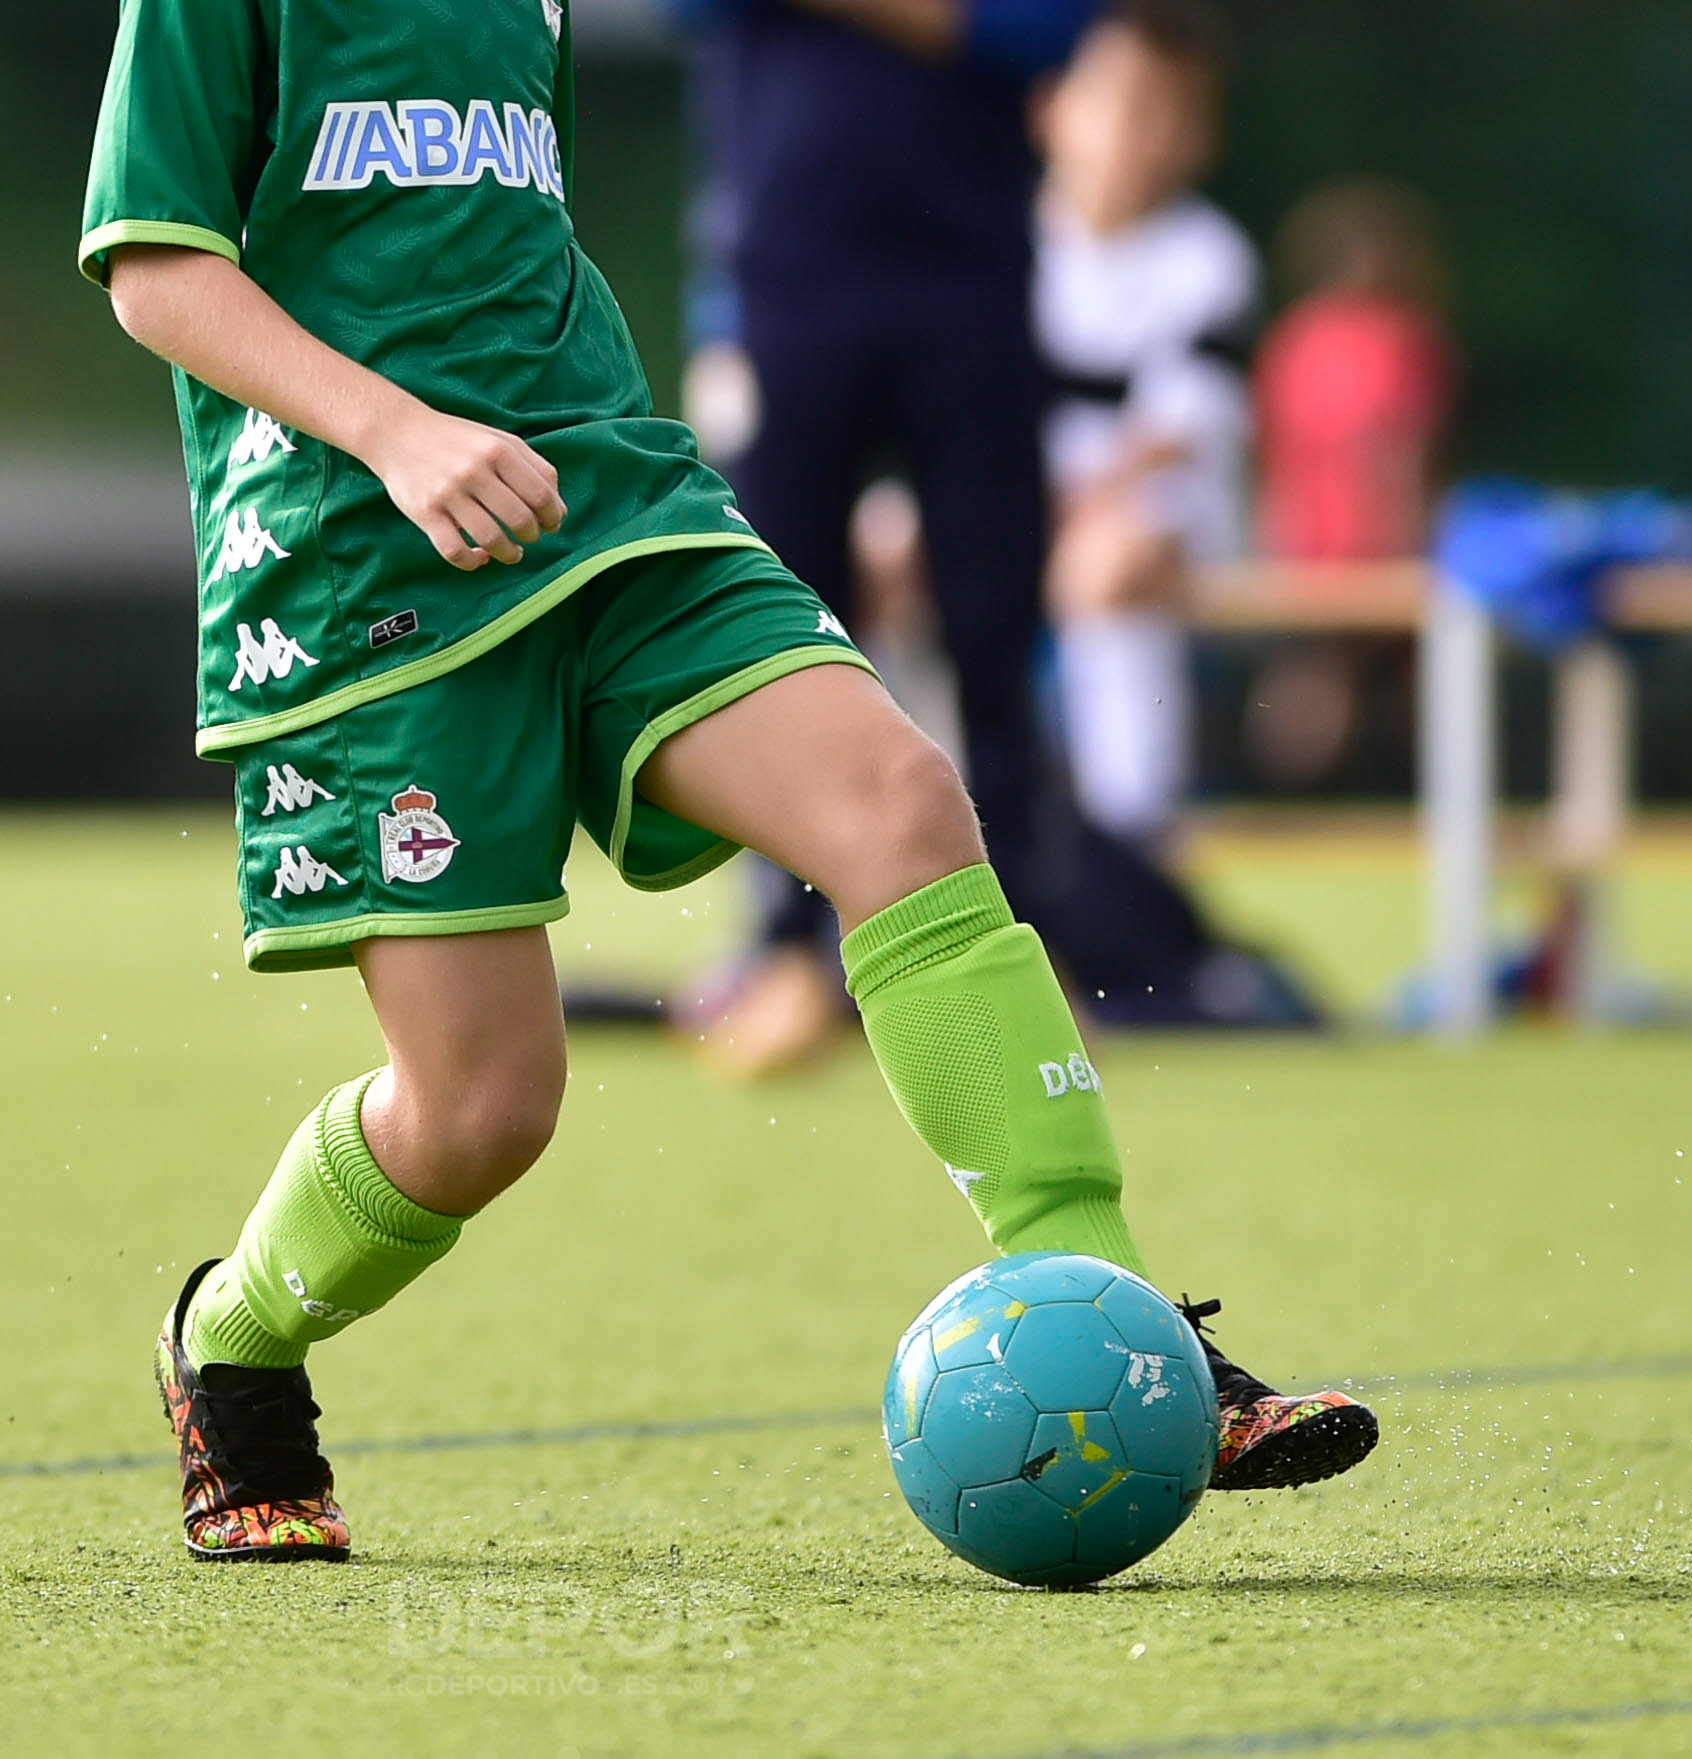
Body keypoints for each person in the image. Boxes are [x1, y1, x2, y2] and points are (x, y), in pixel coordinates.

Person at [78, 0, 1377, 1559]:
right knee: (485, 1106)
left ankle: (1125, 1333)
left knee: (899, 804)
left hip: (603, 490)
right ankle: (234, 1338)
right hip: (363, 545)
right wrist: (401, 434)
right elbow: (154, 270)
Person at [654, 0, 1101, 1075]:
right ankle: (791, 950)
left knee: (994, 625)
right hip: (784, 282)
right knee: (776, 631)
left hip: (972, 285)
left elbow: (1046, 32)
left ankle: (1025, 963)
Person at [1031, 0, 1251, 856]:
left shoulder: (1209, 258)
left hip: (1165, 521)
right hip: (1026, 511)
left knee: (1105, 565)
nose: (1145, 132)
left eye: (1173, 110)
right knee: (881, 555)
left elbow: (1180, 429)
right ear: (1051, 107)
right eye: (1125, 100)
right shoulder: (1001, 242)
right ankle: (897, 840)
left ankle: (1126, 851)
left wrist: (1049, 505)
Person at [1245, 178, 1453, 789]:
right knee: (1415, 698)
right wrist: (1414, 545)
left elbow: (1273, 458)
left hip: (1307, 555)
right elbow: (1407, 456)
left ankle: (1285, 810)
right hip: (1383, 548)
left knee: (1317, 689)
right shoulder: (1404, 340)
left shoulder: (1291, 340)